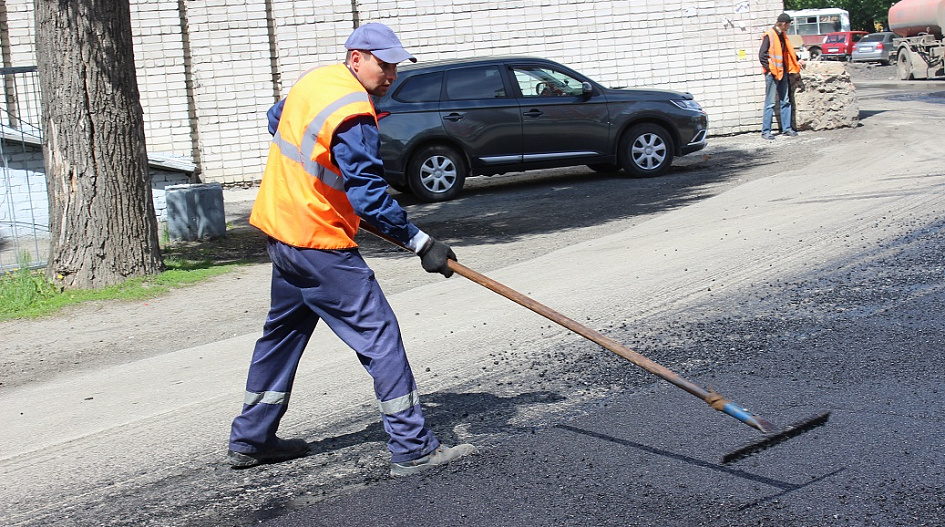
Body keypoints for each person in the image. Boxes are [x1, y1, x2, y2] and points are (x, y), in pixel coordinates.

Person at [227, 22, 475, 477]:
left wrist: (310, 178)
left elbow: (274, 119)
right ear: (356, 57)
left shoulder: (316, 81)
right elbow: (370, 198)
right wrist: (422, 243)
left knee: (281, 337)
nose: (391, 74)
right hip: (318, 242)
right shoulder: (353, 113)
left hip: (282, 231)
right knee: (380, 337)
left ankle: (252, 437)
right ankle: (413, 445)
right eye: (383, 64)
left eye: (395, 65)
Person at [759, 12, 801, 140]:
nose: (789, 27)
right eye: (788, 24)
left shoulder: (782, 35)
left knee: (785, 101)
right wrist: (770, 69)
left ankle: (786, 128)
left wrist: (798, 59)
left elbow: (788, 52)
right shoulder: (770, 35)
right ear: (783, 24)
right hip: (773, 74)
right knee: (770, 103)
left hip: (783, 72)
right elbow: (762, 55)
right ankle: (766, 131)